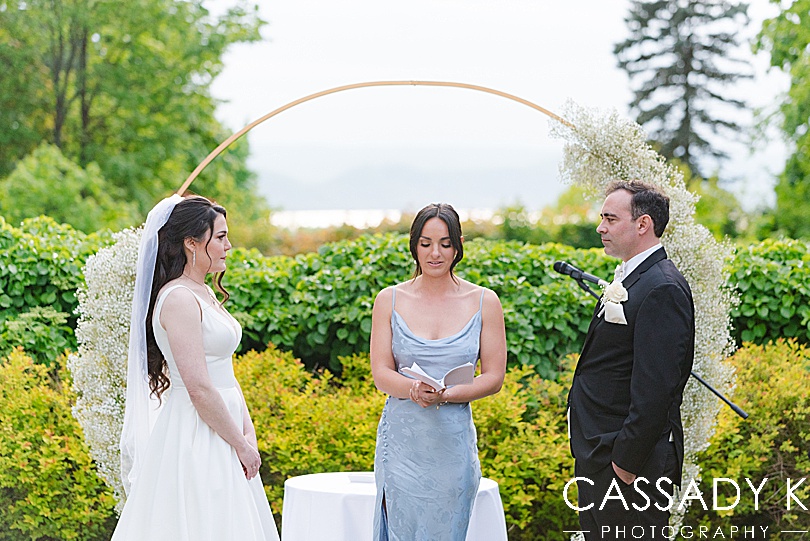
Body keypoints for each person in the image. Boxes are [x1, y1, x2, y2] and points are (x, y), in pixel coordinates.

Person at [112, 195, 279, 541]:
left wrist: (248, 433)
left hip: (226, 425)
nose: (228, 246)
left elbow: (225, 375)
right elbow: (199, 388)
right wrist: (241, 444)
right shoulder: (179, 300)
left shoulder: (204, 293)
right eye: (219, 237)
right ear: (191, 242)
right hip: (196, 432)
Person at [370, 203, 507, 541]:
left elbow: (493, 376)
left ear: (458, 245)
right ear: (414, 244)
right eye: (426, 243)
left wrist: (450, 395)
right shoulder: (388, 299)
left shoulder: (484, 301)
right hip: (401, 446)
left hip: (453, 448)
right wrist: (413, 389)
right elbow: (381, 373)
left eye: (445, 243)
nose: (435, 253)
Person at [567, 180, 695, 540]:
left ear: (643, 225)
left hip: (628, 467)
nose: (600, 227)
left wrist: (624, 463)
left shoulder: (662, 287)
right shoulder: (634, 277)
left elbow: (657, 389)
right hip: (600, 454)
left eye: (610, 218)